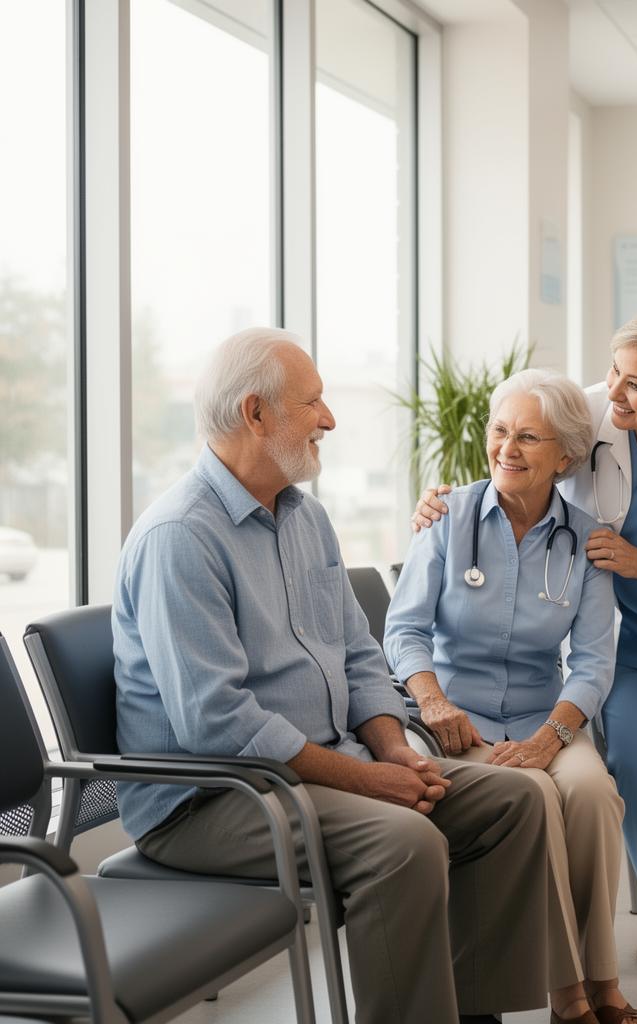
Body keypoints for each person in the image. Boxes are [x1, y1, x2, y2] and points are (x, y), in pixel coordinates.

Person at [112, 327, 553, 1024]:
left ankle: (476, 1015)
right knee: (404, 842)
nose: (330, 419)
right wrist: (368, 780)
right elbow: (217, 723)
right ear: (256, 415)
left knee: (514, 802)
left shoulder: (305, 518)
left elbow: (357, 653)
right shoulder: (180, 539)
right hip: (210, 800)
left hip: (320, 767)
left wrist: (394, 751)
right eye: (313, 403)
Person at [414, 303, 637, 987]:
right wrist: (443, 503)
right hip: (622, 638)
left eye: (636, 384)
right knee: (633, 763)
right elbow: (519, 452)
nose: (614, 390)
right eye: (615, 371)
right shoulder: (594, 410)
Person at [384, 369, 637, 1024]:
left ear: (565, 455)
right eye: (500, 431)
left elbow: (591, 661)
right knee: (531, 800)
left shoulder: (586, 540)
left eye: (529, 436)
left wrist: (549, 738)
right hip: (455, 722)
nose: (508, 448)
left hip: (543, 716)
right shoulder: (446, 520)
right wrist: (434, 701)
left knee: (588, 794)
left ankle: (602, 980)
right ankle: (569, 994)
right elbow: (404, 630)